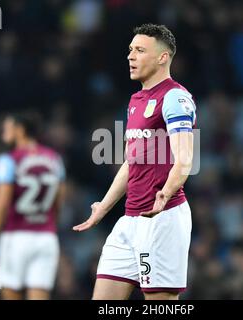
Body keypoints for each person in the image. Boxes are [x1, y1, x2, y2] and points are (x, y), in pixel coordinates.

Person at [73, 23, 197, 300]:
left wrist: (165, 193)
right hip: (129, 220)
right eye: (130, 50)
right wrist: (104, 207)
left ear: (162, 57)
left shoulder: (175, 97)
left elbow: (185, 159)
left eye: (140, 50)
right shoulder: (136, 100)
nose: (130, 56)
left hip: (162, 219)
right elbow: (133, 162)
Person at [0, 112, 66, 300]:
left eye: (7, 128)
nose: (3, 132)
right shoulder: (55, 158)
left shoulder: (8, 160)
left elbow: (2, 203)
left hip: (16, 236)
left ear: (20, 130)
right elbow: (59, 201)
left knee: (11, 294)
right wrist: (51, 227)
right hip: (46, 237)